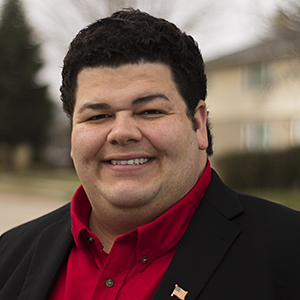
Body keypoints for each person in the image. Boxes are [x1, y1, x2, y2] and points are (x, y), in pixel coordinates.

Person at [1, 8, 300, 300]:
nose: (122, 132)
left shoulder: (289, 254)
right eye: (97, 116)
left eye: (149, 111)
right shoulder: (10, 255)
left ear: (197, 124)